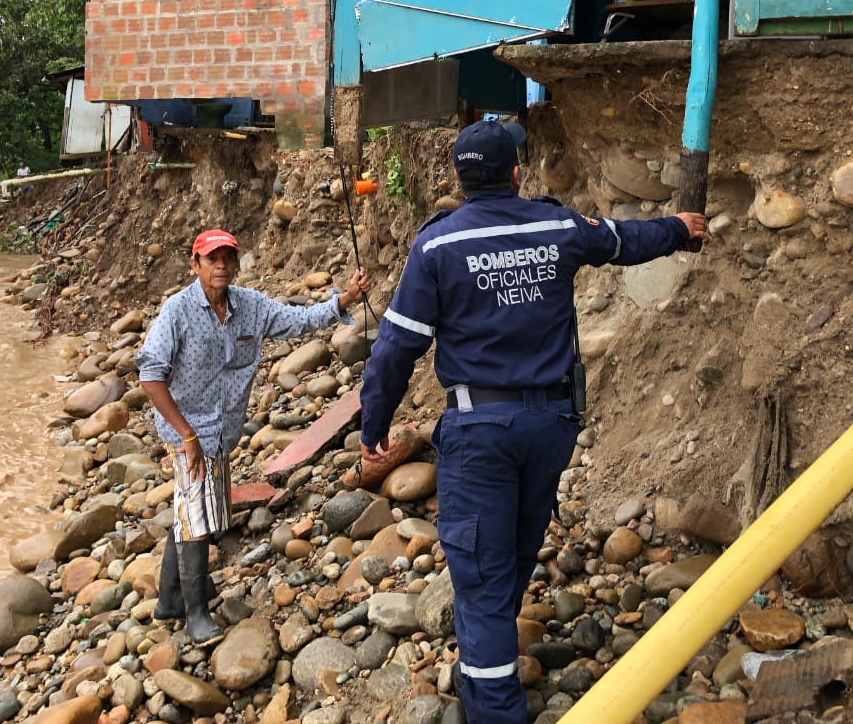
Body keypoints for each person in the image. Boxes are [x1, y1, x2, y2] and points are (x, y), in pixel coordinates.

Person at [358, 121, 710, 723]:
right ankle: (481, 683)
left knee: (483, 582)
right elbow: (625, 239)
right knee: (513, 556)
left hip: (479, 433)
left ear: (457, 180)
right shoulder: (556, 225)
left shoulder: (437, 247)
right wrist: (681, 228)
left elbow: (396, 348)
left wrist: (373, 425)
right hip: (550, 426)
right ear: (516, 173)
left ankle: (494, 708)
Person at [137, 228, 372, 643]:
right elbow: (150, 375)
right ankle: (195, 614)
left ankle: (169, 600)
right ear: (195, 265)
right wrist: (186, 434)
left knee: (192, 508)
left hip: (222, 428)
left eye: (229, 258)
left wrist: (345, 300)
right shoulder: (177, 311)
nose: (222, 266)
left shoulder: (250, 306)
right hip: (185, 427)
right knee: (197, 513)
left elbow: (299, 320)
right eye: (212, 259)